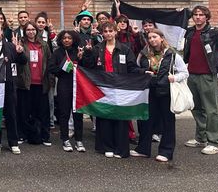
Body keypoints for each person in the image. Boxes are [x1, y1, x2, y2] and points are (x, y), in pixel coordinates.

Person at [82, 21, 140, 158]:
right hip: (103, 88)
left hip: (120, 88)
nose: (108, 33)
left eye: (110, 31)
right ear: (102, 33)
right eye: (105, 31)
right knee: (105, 117)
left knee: (120, 118)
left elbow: (131, 67)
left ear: (115, 32)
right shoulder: (97, 48)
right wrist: (88, 53)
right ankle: (106, 147)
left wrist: (143, 72)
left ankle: (120, 148)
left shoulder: (125, 49)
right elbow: (88, 66)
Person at [131, 29, 188, 162]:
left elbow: (185, 72)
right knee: (146, 120)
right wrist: (144, 72)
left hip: (166, 92)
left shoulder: (172, 54)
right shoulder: (143, 54)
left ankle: (166, 151)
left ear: (161, 38)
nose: (152, 40)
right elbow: (136, 68)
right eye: (149, 38)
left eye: (154, 37)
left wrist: (175, 77)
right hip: (149, 91)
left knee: (167, 122)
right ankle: (143, 150)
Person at [183, 5, 218, 155]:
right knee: (195, 107)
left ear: (207, 17)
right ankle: (201, 138)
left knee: (211, 109)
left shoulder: (214, 32)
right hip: (191, 74)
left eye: (201, 14)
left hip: (207, 75)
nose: (198, 17)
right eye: (195, 14)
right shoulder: (190, 32)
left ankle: (215, 142)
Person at [0, 21, 26, 154]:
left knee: (11, 114)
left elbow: (23, 62)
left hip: (9, 84)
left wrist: (20, 52)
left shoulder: (11, 46)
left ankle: (13, 142)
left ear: (2, 31)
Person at [16, 21, 52, 147]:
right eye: (28, 30)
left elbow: (49, 62)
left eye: (33, 29)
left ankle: (45, 136)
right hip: (26, 83)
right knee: (24, 111)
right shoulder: (21, 44)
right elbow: (18, 62)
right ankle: (23, 134)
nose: (30, 32)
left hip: (41, 83)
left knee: (43, 111)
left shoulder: (44, 45)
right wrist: (19, 52)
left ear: (37, 31)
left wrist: (50, 80)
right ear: (24, 32)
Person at [49, 30, 85, 153]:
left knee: (78, 114)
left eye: (69, 38)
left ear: (73, 39)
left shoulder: (78, 51)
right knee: (64, 114)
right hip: (64, 85)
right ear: (61, 39)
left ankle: (79, 140)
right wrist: (64, 67)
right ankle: (65, 139)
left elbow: (87, 67)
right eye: (64, 38)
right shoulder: (57, 52)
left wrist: (81, 58)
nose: (67, 40)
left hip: (78, 86)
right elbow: (51, 68)